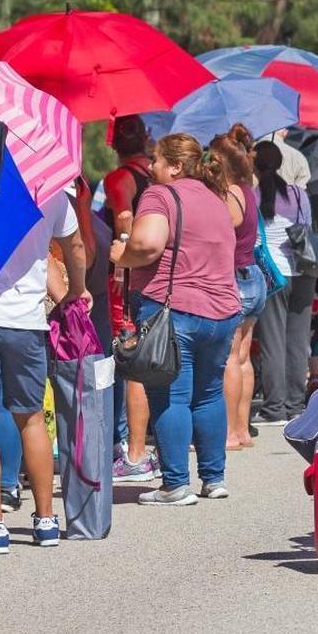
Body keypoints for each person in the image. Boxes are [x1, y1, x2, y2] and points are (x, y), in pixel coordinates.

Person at [0, 192, 88, 551]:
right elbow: (74, 245)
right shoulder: (52, 191)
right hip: (27, 321)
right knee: (31, 420)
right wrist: (76, 289)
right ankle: (45, 522)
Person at [109, 134, 241, 505]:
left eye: (156, 160)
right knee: (209, 393)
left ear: (176, 166)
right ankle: (214, 478)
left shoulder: (160, 195)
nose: (150, 167)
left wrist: (122, 253)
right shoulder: (217, 198)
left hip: (175, 309)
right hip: (222, 310)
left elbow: (148, 244)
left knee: (170, 396)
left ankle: (175, 484)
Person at [102, 115, 159, 482]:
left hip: (128, 270)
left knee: (127, 354)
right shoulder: (155, 175)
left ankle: (127, 446)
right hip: (155, 268)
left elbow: (123, 218)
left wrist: (122, 263)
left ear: (112, 144)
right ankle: (136, 441)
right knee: (143, 353)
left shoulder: (118, 179)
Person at [252, 141, 316, 424]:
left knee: (272, 342)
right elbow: (308, 229)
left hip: (273, 275)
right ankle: (296, 404)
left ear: (255, 166)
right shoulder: (300, 195)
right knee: (298, 341)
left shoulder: (253, 196)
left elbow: (254, 240)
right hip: (303, 272)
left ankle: (274, 407)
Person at [209, 126, 265, 449]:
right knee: (242, 357)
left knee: (230, 357)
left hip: (236, 277)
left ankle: (229, 431)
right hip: (253, 277)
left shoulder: (230, 194)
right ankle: (242, 430)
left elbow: (222, 233)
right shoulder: (249, 188)